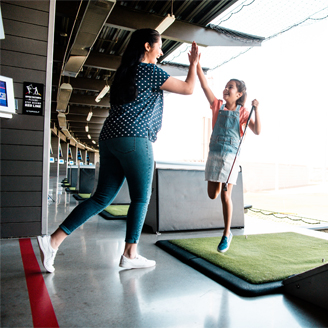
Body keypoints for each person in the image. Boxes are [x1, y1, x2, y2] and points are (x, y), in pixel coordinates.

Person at [38, 29, 200, 272]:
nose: (161, 51)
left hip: (109, 138)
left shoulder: (124, 73)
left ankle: (52, 241)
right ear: (147, 46)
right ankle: (130, 254)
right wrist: (194, 64)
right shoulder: (150, 71)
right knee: (141, 198)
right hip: (135, 138)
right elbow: (188, 89)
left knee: (101, 198)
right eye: (159, 46)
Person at [197, 59, 261, 253]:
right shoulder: (217, 105)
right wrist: (196, 65)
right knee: (212, 194)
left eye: (230, 87)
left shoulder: (243, 113)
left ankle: (226, 233)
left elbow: (257, 130)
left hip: (230, 159)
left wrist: (257, 110)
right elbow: (204, 85)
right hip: (214, 155)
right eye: (226, 86)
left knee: (226, 195)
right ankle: (226, 230)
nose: (226, 89)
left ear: (239, 94)